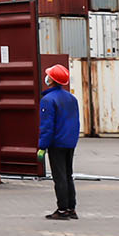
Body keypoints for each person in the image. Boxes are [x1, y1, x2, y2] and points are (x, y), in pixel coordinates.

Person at [38, 63, 80, 220]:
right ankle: (71, 208)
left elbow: (47, 126)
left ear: (52, 80)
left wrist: (42, 146)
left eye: (49, 75)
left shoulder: (48, 100)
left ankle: (62, 210)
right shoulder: (72, 98)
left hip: (56, 144)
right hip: (70, 142)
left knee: (59, 177)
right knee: (68, 175)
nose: (46, 76)